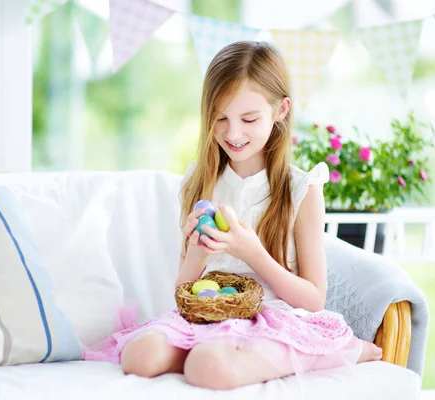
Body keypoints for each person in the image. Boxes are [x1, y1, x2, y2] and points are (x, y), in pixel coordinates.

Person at [84, 40, 382, 390]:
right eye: (220, 118)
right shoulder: (201, 182)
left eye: (249, 119)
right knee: (140, 356)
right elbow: (184, 290)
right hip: (210, 317)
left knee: (207, 367)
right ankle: (212, 351)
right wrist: (197, 250)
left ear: (281, 110)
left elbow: (314, 298)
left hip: (274, 320)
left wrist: (252, 253)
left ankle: (324, 351)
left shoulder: (300, 190)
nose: (233, 132)